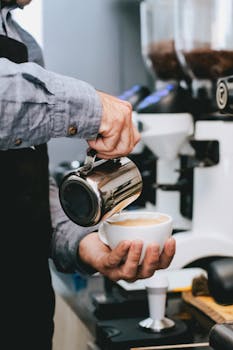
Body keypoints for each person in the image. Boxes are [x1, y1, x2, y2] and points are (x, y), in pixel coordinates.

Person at [0, 0, 176, 349]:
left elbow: (23, 180)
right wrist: (92, 108)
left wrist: (83, 244)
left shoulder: (23, 42)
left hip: (23, 314)